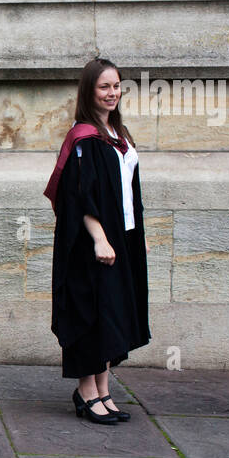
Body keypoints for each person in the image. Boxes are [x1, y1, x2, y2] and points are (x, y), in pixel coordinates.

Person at [45, 58, 150, 423]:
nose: (112, 93)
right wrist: (100, 239)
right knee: (91, 314)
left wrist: (134, 238)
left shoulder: (119, 134)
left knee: (113, 315)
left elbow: (127, 193)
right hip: (93, 242)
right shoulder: (84, 137)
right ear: (89, 91)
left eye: (117, 86)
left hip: (123, 237)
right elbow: (79, 196)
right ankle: (85, 391)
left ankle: (104, 389)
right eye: (104, 87)